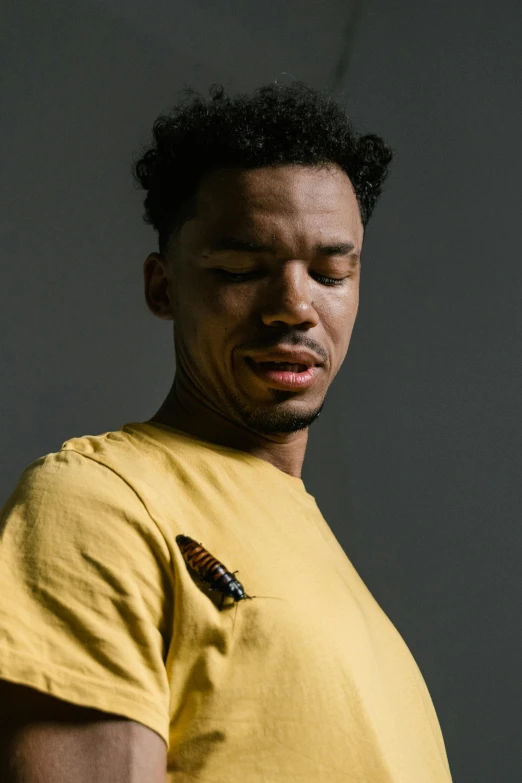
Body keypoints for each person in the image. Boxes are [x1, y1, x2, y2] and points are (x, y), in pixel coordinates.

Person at [0, 82, 453, 782]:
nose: (295, 307)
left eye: (331, 273)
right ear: (164, 287)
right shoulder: (99, 500)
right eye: (243, 269)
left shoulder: (342, 579)